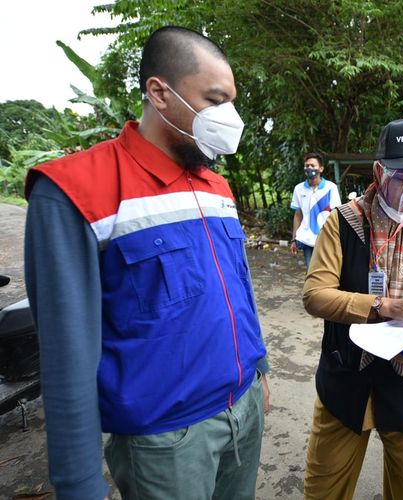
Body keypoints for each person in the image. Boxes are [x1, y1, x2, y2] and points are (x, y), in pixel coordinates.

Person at [24, 26, 270, 500]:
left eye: (231, 102)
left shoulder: (215, 186)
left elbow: (237, 289)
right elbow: (65, 354)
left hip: (244, 412)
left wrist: (258, 375)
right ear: (160, 92)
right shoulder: (75, 191)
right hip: (166, 442)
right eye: (215, 99)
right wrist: (78, 484)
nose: (229, 117)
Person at [302, 118, 403, 500]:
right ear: (379, 171)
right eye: (402, 177)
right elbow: (315, 295)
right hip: (348, 378)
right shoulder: (344, 224)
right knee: (323, 488)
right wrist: (382, 305)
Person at [290, 152, 342, 267]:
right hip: (307, 239)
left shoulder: (331, 188)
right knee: (311, 271)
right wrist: (294, 239)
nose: (309, 168)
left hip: (326, 238)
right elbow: (298, 215)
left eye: (313, 166)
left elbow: (336, 215)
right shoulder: (299, 189)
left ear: (321, 169)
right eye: (307, 165)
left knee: (327, 272)